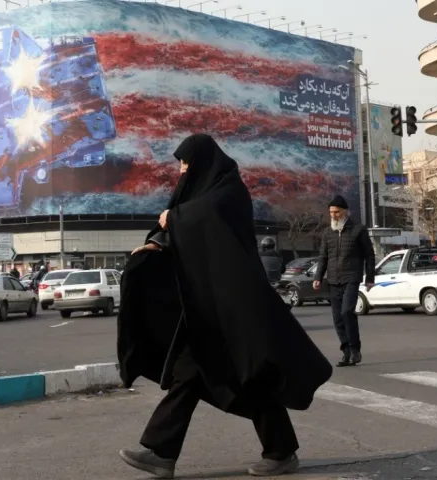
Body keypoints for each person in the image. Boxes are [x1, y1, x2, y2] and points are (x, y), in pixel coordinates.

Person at [117, 134, 332, 479]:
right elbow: (183, 235)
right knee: (191, 372)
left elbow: (205, 223)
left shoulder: (229, 192)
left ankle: (277, 451)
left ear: (203, 162)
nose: (183, 171)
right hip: (206, 307)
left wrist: (174, 219)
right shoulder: (199, 196)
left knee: (249, 374)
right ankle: (162, 452)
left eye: (186, 164)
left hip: (234, 304)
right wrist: (157, 244)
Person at [313, 195, 376, 367]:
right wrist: (318, 277)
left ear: (345, 212)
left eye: (336, 212)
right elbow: (323, 257)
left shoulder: (358, 230)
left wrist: (370, 278)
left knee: (347, 312)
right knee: (337, 319)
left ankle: (355, 350)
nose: (333, 215)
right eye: (331, 212)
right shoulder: (327, 233)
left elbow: (369, 255)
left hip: (351, 278)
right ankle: (346, 352)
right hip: (333, 280)